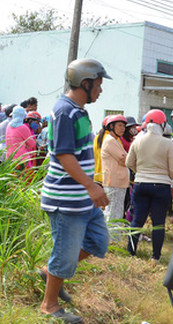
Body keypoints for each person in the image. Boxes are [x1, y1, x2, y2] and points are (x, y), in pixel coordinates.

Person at [38, 58, 111, 323]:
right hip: (65, 199)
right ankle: (49, 305)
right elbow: (64, 154)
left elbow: (80, 156)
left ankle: (50, 271)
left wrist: (91, 184)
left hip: (82, 198)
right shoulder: (64, 111)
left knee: (98, 242)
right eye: (99, 85)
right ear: (86, 83)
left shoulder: (78, 111)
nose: (101, 91)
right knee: (65, 252)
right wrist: (91, 185)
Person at [125, 109, 173, 261]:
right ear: (162, 124)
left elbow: (129, 163)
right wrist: (167, 177)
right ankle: (156, 256)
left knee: (137, 219)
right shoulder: (168, 143)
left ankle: (131, 251)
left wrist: (140, 172)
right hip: (162, 186)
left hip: (141, 183)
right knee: (158, 222)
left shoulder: (137, 141)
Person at [100, 114, 129, 234]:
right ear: (111, 126)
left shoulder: (115, 141)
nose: (122, 128)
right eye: (120, 125)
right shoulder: (110, 141)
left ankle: (111, 239)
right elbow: (124, 160)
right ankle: (111, 240)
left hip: (118, 182)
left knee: (115, 211)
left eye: (124, 126)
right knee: (113, 212)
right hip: (114, 182)